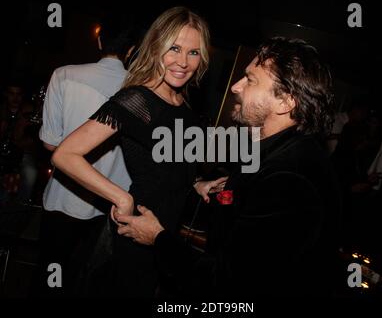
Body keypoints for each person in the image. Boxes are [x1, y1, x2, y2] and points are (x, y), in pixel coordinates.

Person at [114, 37, 342, 297]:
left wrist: (157, 237)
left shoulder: (289, 180)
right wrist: (229, 193)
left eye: (250, 80)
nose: (235, 87)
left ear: (285, 102)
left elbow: (226, 283)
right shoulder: (279, 150)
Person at [51, 6, 226, 297]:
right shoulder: (137, 100)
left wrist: (197, 184)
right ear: (156, 47)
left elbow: (166, 164)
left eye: (193, 52)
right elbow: (64, 154)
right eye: (174, 48)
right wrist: (121, 197)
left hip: (164, 230)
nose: (183, 62)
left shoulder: (183, 105)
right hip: (138, 229)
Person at [36, 15, 138, 296]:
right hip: (111, 206)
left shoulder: (65, 75)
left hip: (63, 198)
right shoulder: (140, 92)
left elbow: (49, 144)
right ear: (131, 50)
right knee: (87, 283)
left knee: (52, 279)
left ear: (99, 40)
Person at [0, 80, 41, 204]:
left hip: (21, 152)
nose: (15, 98)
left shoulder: (28, 111)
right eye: (12, 94)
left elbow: (33, 139)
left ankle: (20, 205)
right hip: (3, 150)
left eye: (18, 94)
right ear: (6, 94)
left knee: (31, 172)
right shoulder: (2, 109)